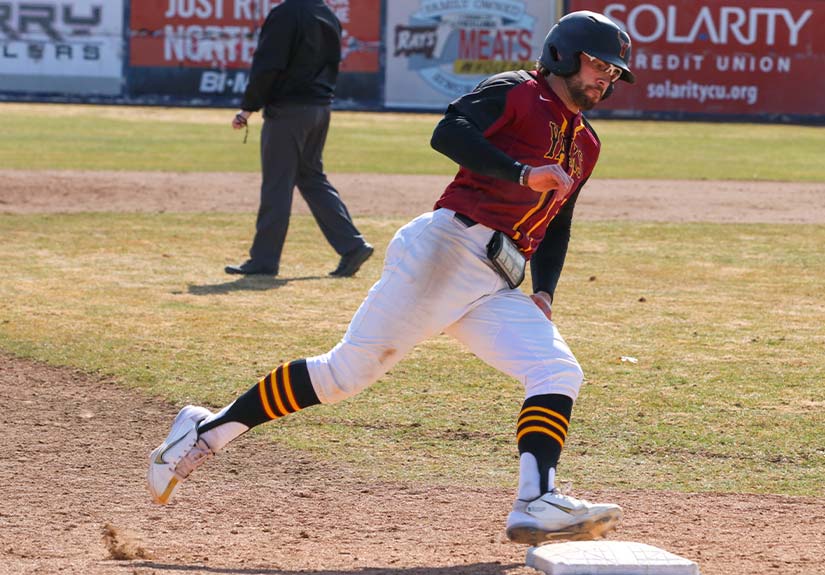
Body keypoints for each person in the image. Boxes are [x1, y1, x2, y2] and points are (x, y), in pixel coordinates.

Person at [149, 11, 634, 546]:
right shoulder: (519, 91)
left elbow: (558, 221)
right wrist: (521, 173)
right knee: (342, 377)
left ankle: (535, 499)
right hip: (447, 251)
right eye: (598, 65)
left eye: (613, 73)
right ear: (564, 54)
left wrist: (544, 290)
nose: (605, 78)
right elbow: (448, 132)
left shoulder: (586, 143)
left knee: (556, 369)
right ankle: (205, 432)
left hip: (496, 278)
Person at [225, 0, 374, 278]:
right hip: (319, 107)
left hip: (289, 110)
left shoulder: (285, 13)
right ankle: (353, 245)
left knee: (277, 184)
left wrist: (248, 107)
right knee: (311, 177)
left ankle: (264, 260)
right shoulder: (327, 14)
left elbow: (268, 66)